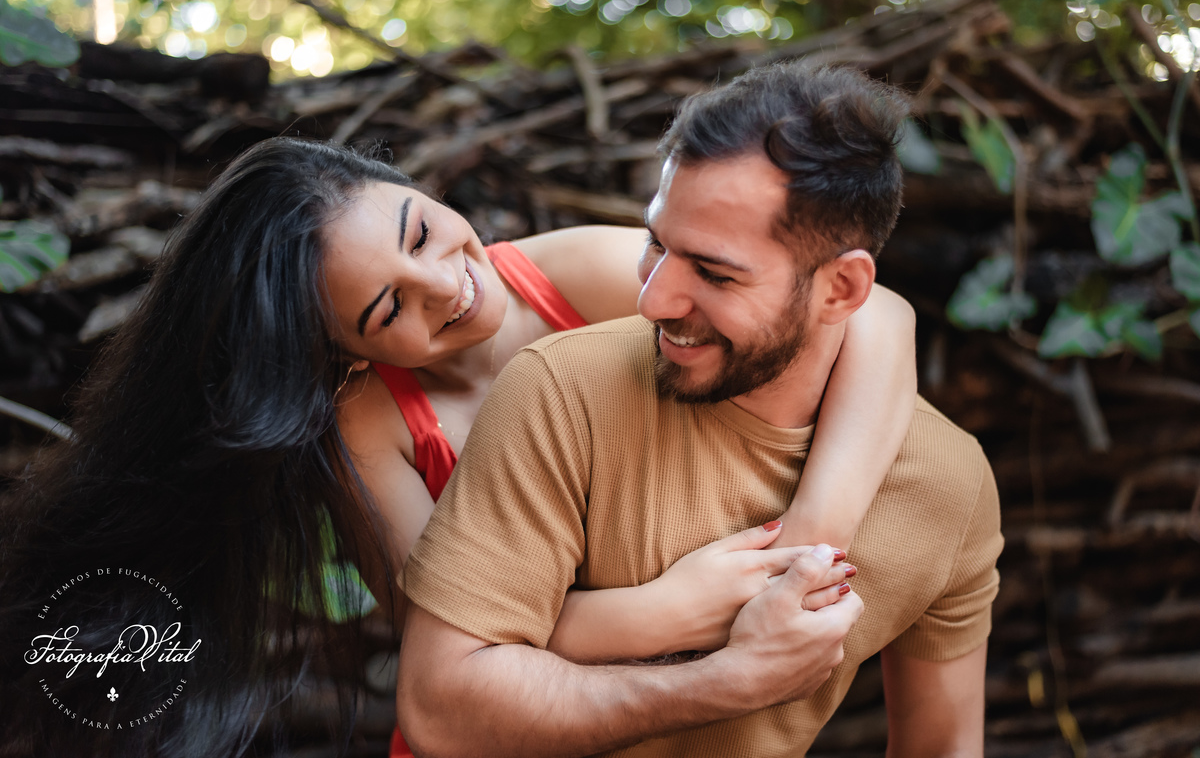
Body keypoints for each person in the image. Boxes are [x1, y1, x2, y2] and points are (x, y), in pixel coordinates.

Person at [0, 125, 913, 758]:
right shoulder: (371, 427)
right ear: (343, 352)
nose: (446, 285)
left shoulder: (578, 275)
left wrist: (810, 538)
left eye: (424, 231)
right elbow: (455, 637)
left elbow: (876, 317)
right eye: (388, 307)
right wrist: (674, 608)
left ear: (419, 189)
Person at [397, 62, 1004, 758]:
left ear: (841, 289)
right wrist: (731, 681)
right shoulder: (560, 392)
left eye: (714, 273)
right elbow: (441, 711)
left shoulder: (950, 484)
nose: (654, 300)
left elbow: (944, 745)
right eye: (656, 242)